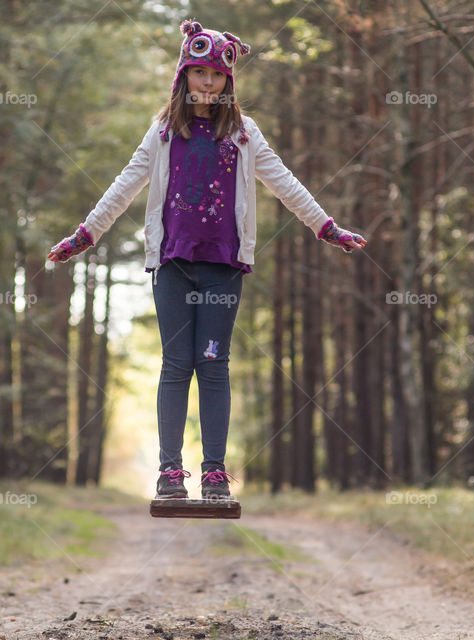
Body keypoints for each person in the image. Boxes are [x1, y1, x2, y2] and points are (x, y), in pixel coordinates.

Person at [47, 19, 367, 501]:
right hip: (173, 264)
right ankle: (170, 473)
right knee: (176, 364)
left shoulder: (243, 133)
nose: (209, 83)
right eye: (200, 74)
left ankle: (214, 473)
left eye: (218, 76)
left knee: (213, 364)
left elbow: (284, 182)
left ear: (229, 82)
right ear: (183, 76)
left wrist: (327, 227)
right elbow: (123, 185)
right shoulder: (162, 133)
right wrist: (84, 235)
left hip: (223, 264)